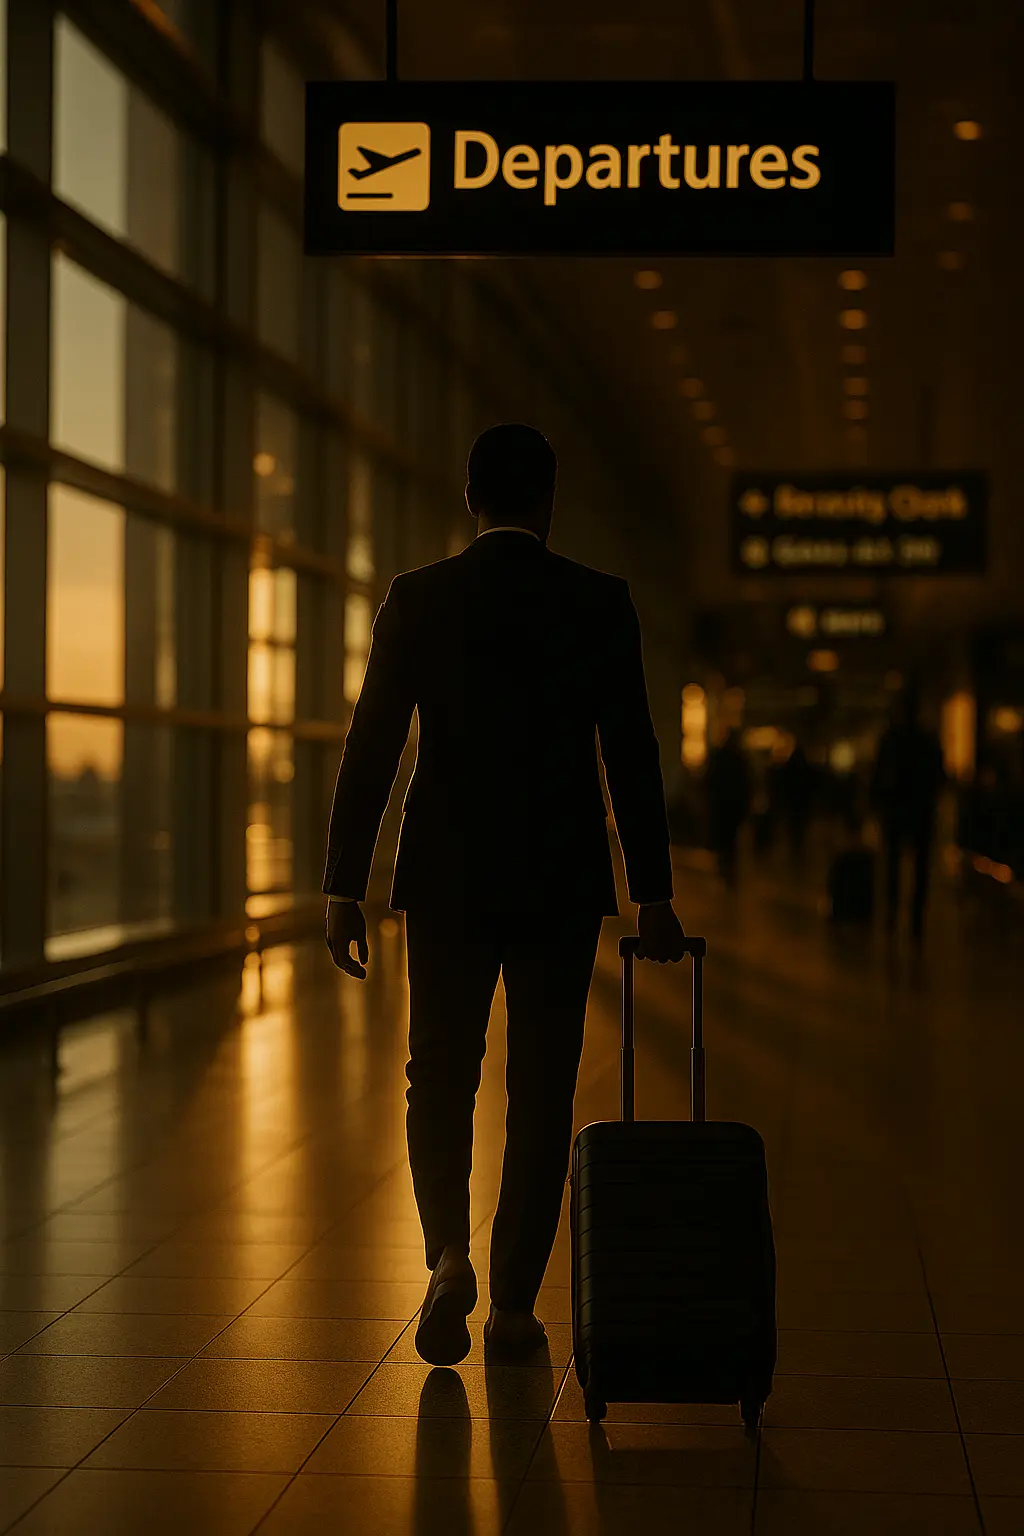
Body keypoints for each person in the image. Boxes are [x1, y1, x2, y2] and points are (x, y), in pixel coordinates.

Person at [322, 424, 687, 1369]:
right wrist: (653, 892)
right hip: (559, 882)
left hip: (444, 878)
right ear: (549, 503)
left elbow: (370, 747)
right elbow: (632, 753)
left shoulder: (419, 598)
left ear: (470, 497)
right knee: (541, 1090)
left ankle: (448, 1254)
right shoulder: (598, 603)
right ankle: (517, 1305)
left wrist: (341, 885)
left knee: (437, 1073)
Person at [870, 684, 946, 943]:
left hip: (896, 811)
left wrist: (879, 802)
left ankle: (893, 916)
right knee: (919, 868)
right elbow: (939, 777)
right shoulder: (926, 739)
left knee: (893, 865)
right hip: (920, 811)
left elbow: (878, 777)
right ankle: (915, 920)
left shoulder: (891, 740)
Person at [705, 727, 751, 884]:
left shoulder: (719, 757)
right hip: (732, 806)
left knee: (723, 838)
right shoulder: (739, 758)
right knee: (730, 840)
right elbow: (745, 784)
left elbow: (710, 781)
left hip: (721, 806)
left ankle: (723, 868)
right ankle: (728, 869)